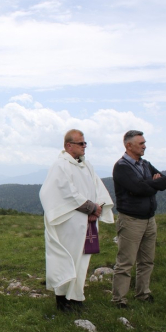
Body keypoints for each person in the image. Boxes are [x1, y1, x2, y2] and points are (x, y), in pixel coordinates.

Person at [39, 129, 114, 312]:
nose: (84, 146)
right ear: (68, 145)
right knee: (68, 258)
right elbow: (65, 192)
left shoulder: (87, 165)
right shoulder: (60, 165)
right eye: (81, 143)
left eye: (85, 143)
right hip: (70, 223)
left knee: (82, 261)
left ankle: (76, 298)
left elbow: (98, 188)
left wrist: (99, 207)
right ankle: (62, 300)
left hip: (87, 222)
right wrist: (91, 207)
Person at [111, 130, 166, 308]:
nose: (144, 146)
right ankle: (119, 299)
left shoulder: (145, 164)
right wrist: (152, 184)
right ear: (129, 145)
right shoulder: (121, 167)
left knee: (147, 260)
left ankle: (143, 293)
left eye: (144, 143)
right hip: (131, 220)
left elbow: (164, 181)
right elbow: (138, 189)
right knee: (126, 262)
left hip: (149, 219)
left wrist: (148, 185)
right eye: (141, 143)